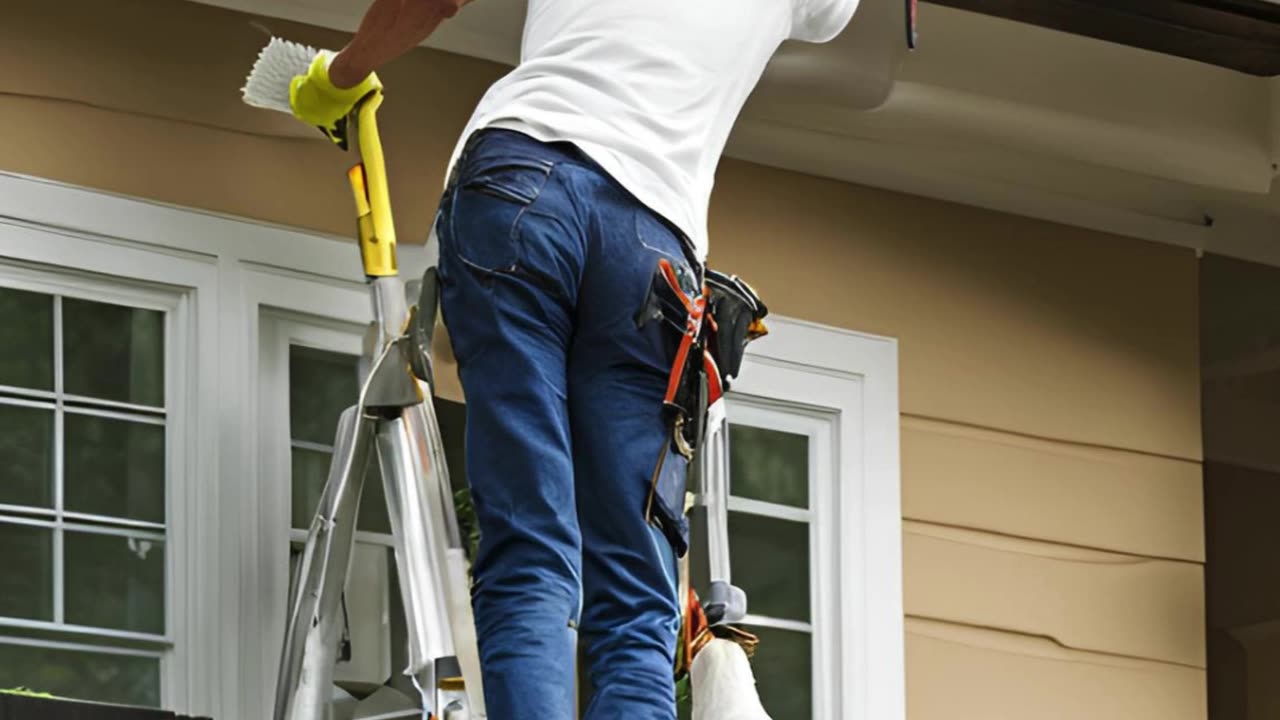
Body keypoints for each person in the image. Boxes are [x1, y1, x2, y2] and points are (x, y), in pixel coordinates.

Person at [287, 1, 859, 717]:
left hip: (525, 187)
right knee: (634, 601)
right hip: (652, 249)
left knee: (531, 548)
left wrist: (340, 75)